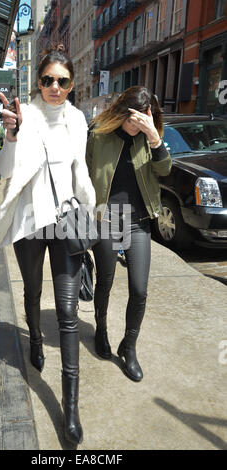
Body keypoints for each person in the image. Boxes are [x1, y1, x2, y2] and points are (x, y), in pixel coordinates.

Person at [0, 44, 96, 445]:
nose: (55, 86)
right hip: (31, 225)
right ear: (38, 81)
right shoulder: (26, 116)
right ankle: (34, 338)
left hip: (66, 223)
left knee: (68, 313)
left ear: (71, 85)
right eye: (48, 80)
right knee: (32, 294)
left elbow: (80, 170)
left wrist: (95, 216)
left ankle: (70, 408)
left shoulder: (77, 119)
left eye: (63, 81)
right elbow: (6, 172)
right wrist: (12, 136)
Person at [86, 86, 172, 382]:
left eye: (143, 120)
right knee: (105, 282)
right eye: (132, 121)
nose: (136, 127)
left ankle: (129, 346)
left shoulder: (149, 137)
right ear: (122, 114)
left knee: (139, 289)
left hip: (138, 222)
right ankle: (101, 329)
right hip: (107, 220)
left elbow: (165, 170)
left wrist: (155, 137)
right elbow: (84, 174)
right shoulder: (98, 133)